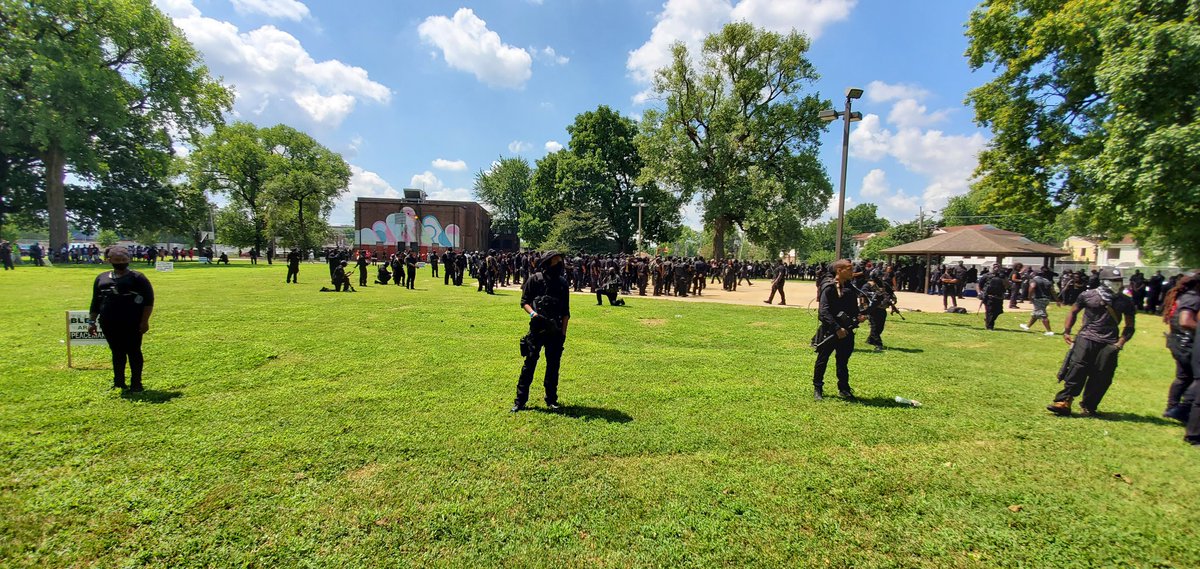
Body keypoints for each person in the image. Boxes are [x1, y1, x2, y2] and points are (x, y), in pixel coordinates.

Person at [1047, 268, 1136, 416]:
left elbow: (1130, 326)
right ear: (1104, 281)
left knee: (1103, 375)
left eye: (1119, 280)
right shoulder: (1088, 295)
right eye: (1114, 281)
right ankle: (1064, 401)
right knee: (1077, 368)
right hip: (1087, 336)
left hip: (1109, 342)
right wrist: (1067, 330)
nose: (1117, 283)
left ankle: (1089, 405)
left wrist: (1120, 343)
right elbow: (1073, 311)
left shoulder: (1125, 301)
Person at [88, 246, 154, 392]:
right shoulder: (102, 278)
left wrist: (145, 321)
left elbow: (149, 301)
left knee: (133, 351)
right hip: (108, 322)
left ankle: (136, 384)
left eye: (123, 259)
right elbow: (95, 302)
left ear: (128, 260)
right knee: (116, 352)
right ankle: (118, 382)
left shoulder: (138, 278)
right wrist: (91, 322)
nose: (121, 262)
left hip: (132, 322)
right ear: (109, 260)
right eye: (117, 260)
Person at [512, 251, 571, 412]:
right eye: (556, 261)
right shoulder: (535, 280)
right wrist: (533, 314)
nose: (559, 265)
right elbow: (524, 301)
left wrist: (563, 335)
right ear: (546, 263)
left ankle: (551, 399)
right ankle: (520, 401)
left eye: (561, 262)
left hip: (555, 331)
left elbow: (566, 312)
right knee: (529, 365)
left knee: (553, 367)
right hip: (537, 330)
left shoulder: (562, 283)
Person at [812, 259, 866, 401]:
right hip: (830, 331)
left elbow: (854, 310)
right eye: (848, 269)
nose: (851, 272)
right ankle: (818, 388)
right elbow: (823, 312)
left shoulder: (850, 289)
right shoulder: (829, 287)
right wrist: (837, 328)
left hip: (847, 332)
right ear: (839, 270)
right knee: (822, 360)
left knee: (842, 361)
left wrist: (859, 316)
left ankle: (844, 389)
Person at [1161, 274, 1198, 421]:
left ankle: (1174, 407)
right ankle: (1180, 408)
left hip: (1179, 341)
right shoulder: (1191, 299)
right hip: (1185, 343)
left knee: (1183, 376)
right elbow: (1185, 322)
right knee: (1191, 377)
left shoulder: (1183, 296)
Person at [1021, 266, 1057, 335]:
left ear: (1034, 274)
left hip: (1039, 298)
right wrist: (1057, 300)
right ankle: (1027, 326)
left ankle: (1049, 331)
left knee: (1042, 315)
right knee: (1036, 313)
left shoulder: (1034, 280)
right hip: (1047, 299)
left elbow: (1032, 286)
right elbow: (1052, 291)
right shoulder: (1047, 281)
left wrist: (1029, 296)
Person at [979, 264, 1007, 330]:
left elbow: (1007, 285)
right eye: (994, 266)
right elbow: (979, 284)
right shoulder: (986, 276)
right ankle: (989, 327)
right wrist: (980, 293)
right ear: (991, 267)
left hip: (999, 297)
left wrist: (1004, 279)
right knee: (990, 312)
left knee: (998, 311)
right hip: (989, 297)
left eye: (998, 266)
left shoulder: (1002, 276)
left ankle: (988, 320)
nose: (996, 267)